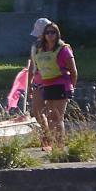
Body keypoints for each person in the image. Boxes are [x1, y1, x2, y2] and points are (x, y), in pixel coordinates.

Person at [33, 22, 77, 150]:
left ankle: (60, 147)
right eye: (47, 32)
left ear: (57, 34)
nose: (50, 35)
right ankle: (52, 145)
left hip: (61, 85)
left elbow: (73, 71)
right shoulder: (42, 49)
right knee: (51, 117)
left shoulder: (64, 49)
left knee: (58, 117)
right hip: (47, 85)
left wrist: (71, 87)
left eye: (53, 32)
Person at [27, 17, 52, 149]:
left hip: (43, 81)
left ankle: (47, 139)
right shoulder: (57, 45)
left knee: (39, 112)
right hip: (47, 81)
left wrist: (30, 82)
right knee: (42, 112)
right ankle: (47, 138)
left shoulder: (38, 46)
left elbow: (32, 66)